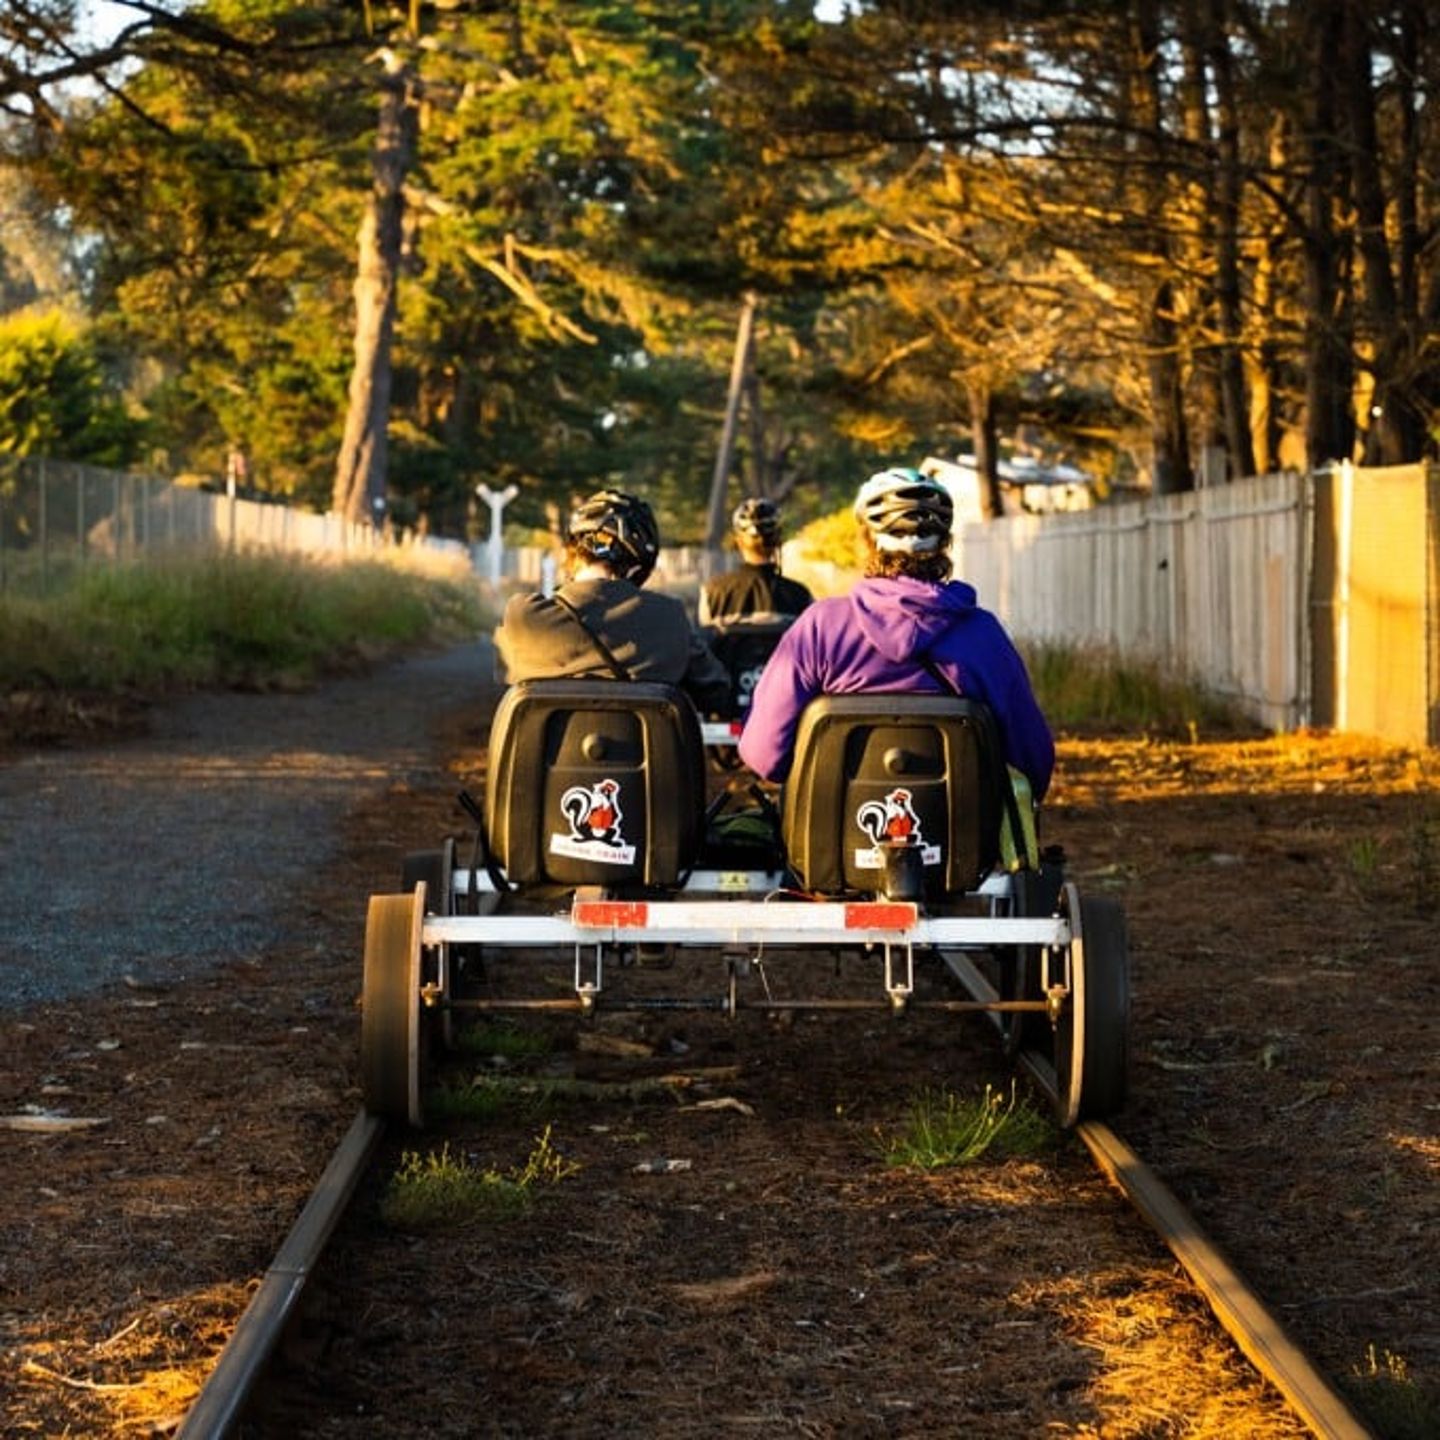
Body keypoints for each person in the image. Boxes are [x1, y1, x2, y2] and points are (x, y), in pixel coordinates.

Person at [738, 467, 1054, 798]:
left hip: (829, 846)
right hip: (964, 843)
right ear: (944, 544)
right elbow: (1034, 764)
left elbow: (764, 756)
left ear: (865, 540)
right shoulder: (983, 636)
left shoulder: (820, 628)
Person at [496, 488, 733, 715]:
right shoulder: (669, 617)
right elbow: (718, 693)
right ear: (638, 566)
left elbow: (504, 673)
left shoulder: (524, 616)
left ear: (572, 552)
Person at [699, 497, 814, 625]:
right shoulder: (800, 595)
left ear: (738, 541)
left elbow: (703, 640)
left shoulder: (712, 593)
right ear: (778, 540)